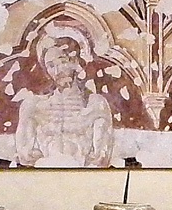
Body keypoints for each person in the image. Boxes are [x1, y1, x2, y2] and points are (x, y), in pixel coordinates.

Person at [15, 24, 114, 167]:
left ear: (75, 61)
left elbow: (101, 159)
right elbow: (25, 156)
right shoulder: (33, 106)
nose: (57, 71)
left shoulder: (96, 104)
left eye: (62, 61)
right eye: (51, 65)